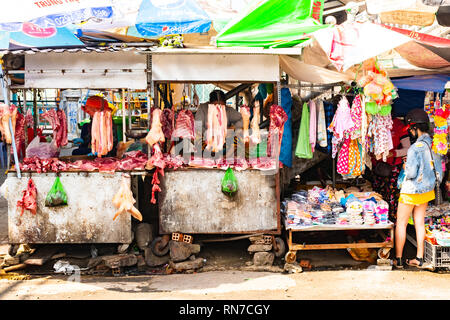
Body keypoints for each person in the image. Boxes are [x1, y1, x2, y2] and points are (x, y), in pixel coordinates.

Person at [393, 108, 442, 269]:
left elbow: (412, 173)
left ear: (414, 127)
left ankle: (399, 260)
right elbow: (439, 171)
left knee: (401, 224)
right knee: (420, 223)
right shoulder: (435, 145)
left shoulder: (415, 148)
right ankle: (419, 258)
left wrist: (406, 165)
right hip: (427, 191)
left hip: (411, 191)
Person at [372, 117, 411, 221]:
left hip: (393, 168)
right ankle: (375, 223)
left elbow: (408, 149)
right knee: (377, 196)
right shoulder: (373, 121)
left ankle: (392, 224)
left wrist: (393, 153)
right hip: (378, 168)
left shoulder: (398, 125)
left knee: (391, 197)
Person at [194, 89, 244, 157]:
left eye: (221, 106)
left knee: (239, 133)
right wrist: (209, 133)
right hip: (206, 140)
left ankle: (227, 158)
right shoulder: (202, 108)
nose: (218, 108)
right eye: (215, 105)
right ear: (210, 103)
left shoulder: (228, 110)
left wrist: (232, 128)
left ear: (225, 104)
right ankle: (205, 157)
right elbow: (198, 126)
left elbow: (243, 120)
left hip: (225, 141)